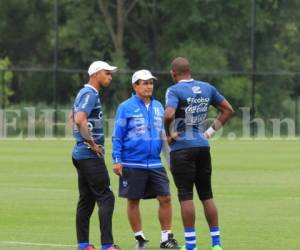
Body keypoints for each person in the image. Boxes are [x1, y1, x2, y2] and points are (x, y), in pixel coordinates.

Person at [164, 57, 234, 250]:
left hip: (182, 148)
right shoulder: (207, 88)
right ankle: (216, 244)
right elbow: (228, 110)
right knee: (207, 195)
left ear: (173, 73)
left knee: (186, 196)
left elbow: (169, 114)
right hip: (203, 146)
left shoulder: (174, 90)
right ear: (190, 71)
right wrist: (209, 133)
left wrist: (169, 134)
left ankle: (191, 246)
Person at [112, 69, 180, 250]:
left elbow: (163, 135)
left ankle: (166, 238)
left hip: (155, 162)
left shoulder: (159, 106)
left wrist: (171, 155)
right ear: (135, 86)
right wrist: (116, 159)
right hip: (132, 162)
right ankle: (140, 238)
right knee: (133, 200)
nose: (149, 86)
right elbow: (117, 135)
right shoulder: (125, 107)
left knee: (165, 198)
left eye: (151, 82)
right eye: (144, 83)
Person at [71, 61, 120, 250]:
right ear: (96, 73)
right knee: (106, 197)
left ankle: (83, 244)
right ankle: (107, 245)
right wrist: (92, 143)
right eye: (107, 73)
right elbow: (79, 119)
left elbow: (73, 117)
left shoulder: (83, 93)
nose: (110, 76)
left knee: (87, 199)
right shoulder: (90, 93)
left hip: (80, 154)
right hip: (89, 156)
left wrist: (80, 137)